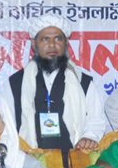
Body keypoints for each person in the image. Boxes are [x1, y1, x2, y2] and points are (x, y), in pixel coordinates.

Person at [7, 13, 106, 152]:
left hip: (73, 159)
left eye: (58, 39)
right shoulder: (15, 83)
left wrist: (88, 137)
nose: (52, 45)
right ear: (34, 44)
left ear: (66, 44)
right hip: (29, 159)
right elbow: (5, 124)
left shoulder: (83, 82)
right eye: (45, 39)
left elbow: (96, 121)